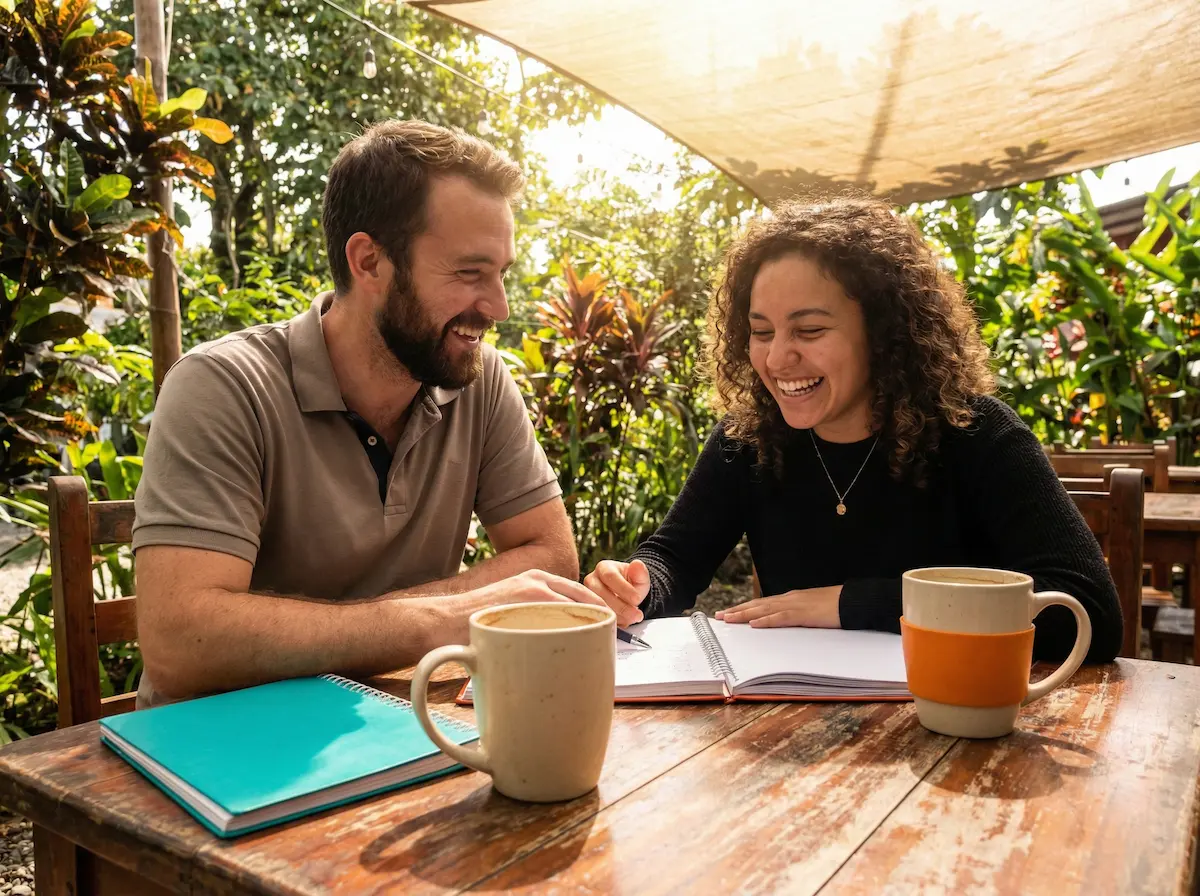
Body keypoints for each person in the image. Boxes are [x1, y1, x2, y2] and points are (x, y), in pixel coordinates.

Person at [132, 120, 604, 705]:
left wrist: (379, 627)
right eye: (469, 272)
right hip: (223, 742)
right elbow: (180, 643)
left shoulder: (477, 379)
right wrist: (434, 620)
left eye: (500, 274)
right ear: (370, 261)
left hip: (403, 723)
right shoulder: (223, 386)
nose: (499, 307)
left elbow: (551, 555)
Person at [584, 197, 1122, 664]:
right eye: (761, 332)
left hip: (954, 719)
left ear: (886, 333)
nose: (777, 358)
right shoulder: (747, 440)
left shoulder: (978, 435)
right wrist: (636, 584)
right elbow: (675, 559)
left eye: (809, 329)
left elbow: (1088, 611)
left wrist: (853, 603)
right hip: (792, 726)